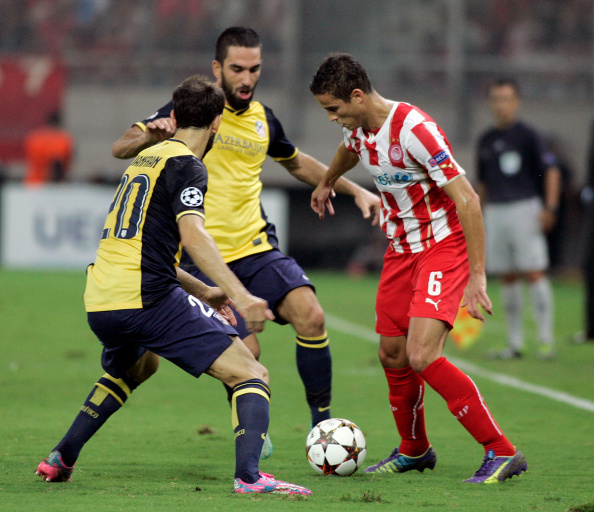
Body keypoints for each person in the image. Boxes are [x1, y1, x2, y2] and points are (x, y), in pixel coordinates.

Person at [35, 75, 311, 496]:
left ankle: (61, 457)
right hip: (146, 297)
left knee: (140, 365)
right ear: (217, 123)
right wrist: (243, 296)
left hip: (101, 297)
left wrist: (204, 291)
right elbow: (195, 235)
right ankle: (251, 478)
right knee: (251, 373)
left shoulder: (147, 159)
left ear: (175, 116)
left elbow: (139, 243)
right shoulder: (187, 165)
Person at [111, 26, 380, 456]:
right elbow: (120, 147)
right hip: (203, 261)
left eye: (254, 69)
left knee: (311, 315)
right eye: (237, 68)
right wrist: (150, 134)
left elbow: (297, 164)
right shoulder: (188, 111)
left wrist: (353, 189)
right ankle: (253, 430)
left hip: (256, 249)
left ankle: (323, 429)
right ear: (218, 68)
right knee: (247, 350)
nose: (246, 78)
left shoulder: (263, 118)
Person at [309, 54, 527, 484]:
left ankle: (501, 451)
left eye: (334, 109)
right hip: (400, 250)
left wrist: (478, 275)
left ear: (357, 96)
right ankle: (414, 450)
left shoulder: (414, 130)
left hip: (442, 248)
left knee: (423, 355)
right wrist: (327, 180)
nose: (332, 119)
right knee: (391, 354)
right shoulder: (358, 129)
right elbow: (348, 150)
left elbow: (468, 199)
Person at [477, 79, 561, 360]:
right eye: (496, 99)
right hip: (496, 212)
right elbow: (482, 184)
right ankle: (515, 343)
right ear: (491, 103)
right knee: (507, 276)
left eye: (506, 98)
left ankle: (546, 340)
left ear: (516, 101)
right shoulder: (486, 139)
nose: (501, 104)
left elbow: (551, 171)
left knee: (534, 271)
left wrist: (550, 207)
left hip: (525, 208)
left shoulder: (529, 135)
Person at [23, 111, 74, 186]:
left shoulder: (34, 137)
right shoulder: (62, 139)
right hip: (49, 186)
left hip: (32, 183)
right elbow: (56, 163)